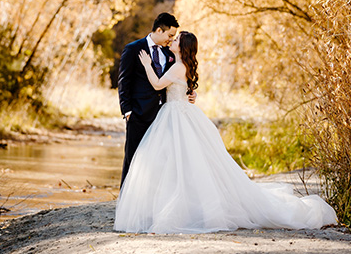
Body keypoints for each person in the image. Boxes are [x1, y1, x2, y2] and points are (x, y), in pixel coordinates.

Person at [114, 31, 337, 234]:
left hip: (176, 116)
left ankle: (180, 209)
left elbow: (156, 85)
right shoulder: (180, 64)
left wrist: (145, 65)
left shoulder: (179, 66)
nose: (174, 39)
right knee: (179, 164)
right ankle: (174, 206)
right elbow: (183, 89)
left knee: (179, 163)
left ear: (183, 46)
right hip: (178, 113)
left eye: (178, 38)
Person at [117, 13, 196, 186]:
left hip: (164, 115)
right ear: (159, 30)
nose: (171, 40)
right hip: (138, 113)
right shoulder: (134, 49)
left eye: (173, 38)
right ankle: (125, 200)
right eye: (170, 36)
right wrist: (127, 111)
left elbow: (179, 78)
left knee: (159, 160)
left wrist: (190, 92)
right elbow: (124, 81)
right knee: (133, 157)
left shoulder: (171, 53)